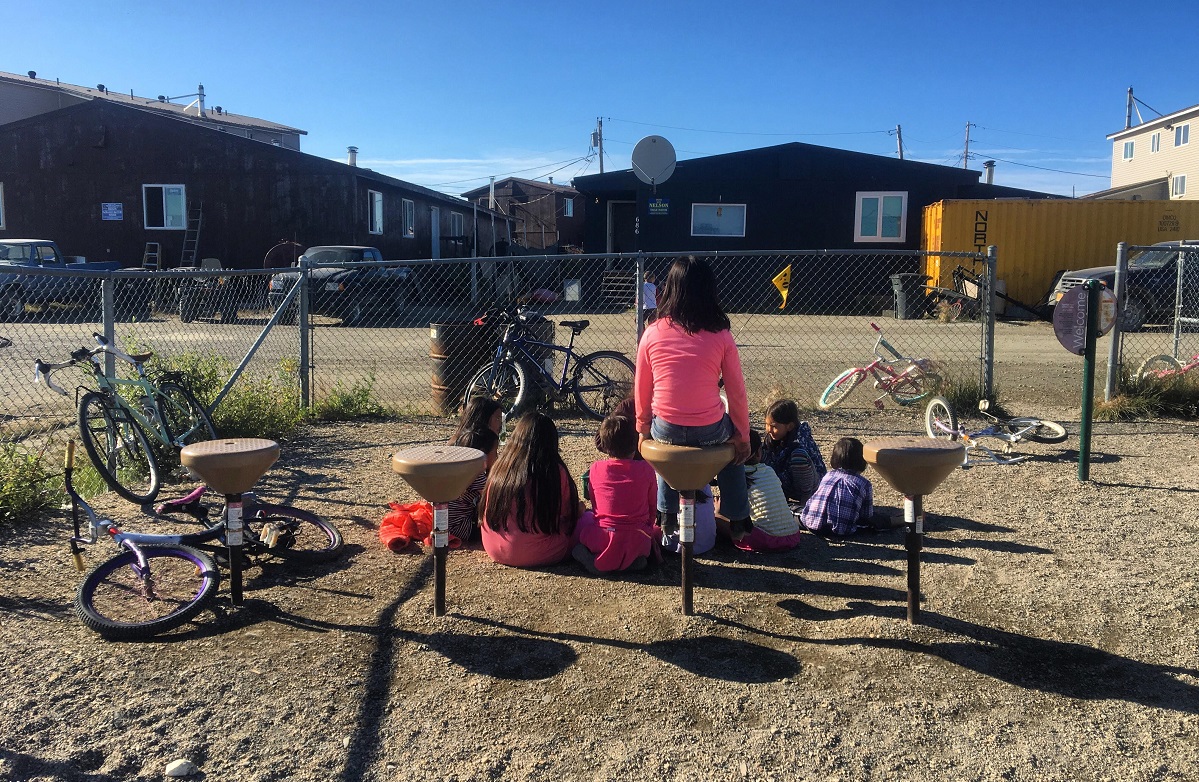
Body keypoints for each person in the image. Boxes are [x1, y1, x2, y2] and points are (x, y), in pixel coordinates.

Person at [634, 256, 752, 539]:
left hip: (666, 427)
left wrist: (642, 428)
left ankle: (667, 512)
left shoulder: (651, 333)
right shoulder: (721, 335)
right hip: (710, 427)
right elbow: (736, 392)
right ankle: (737, 515)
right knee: (733, 448)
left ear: (670, 289)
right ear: (709, 290)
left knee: (666, 442)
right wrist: (743, 436)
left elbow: (641, 387)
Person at [480, 412, 588, 567]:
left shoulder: (500, 466)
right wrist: (580, 509)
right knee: (588, 522)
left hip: (493, 547)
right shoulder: (553, 471)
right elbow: (567, 516)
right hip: (536, 552)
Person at [573, 415, 658, 575]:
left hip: (603, 537)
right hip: (638, 538)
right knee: (641, 542)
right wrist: (649, 527)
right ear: (634, 444)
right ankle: (631, 560)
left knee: (584, 533)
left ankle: (598, 562)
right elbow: (652, 506)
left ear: (604, 446)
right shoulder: (646, 469)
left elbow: (596, 505)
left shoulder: (596, 469)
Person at [725, 430, 804, 552]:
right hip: (792, 535)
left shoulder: (735, 476)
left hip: (764, 539)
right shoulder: (769, 470)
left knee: (717, 516)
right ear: (758, 453)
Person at [800, 437, 888, 536]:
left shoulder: (828, 475)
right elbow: (867, 515)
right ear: (862, 460)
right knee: (878, 521)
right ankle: (898, 521)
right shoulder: (864, 484)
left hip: (811, 524)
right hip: (841, 530)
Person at [761, 399, 825, 508]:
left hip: (810, 490)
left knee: (798, 457)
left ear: (790, 426)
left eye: (774, 426)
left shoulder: (800, 442)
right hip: (787, 484)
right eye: (767, 425)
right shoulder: (773, 438)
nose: (769, 430)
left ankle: (806, 507)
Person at [444, 427, 500, 545]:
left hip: (445, 524)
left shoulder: (460, 469)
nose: (497, 457)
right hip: (460, 527)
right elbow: (494, 498)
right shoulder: (475, 476)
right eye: (495, 452)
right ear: (482, 454)